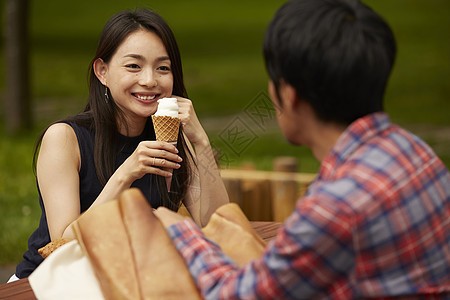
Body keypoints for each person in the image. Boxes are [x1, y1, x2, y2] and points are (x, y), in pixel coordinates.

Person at [155, 0, 450, 298]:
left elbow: (238, 295)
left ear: (289, 95)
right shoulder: (416, 152)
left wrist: (178, 231)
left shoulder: (336, 207)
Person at [10, 9, 229, 281]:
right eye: (133, 66)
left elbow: (218, 228)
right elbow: (64, 245)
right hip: (48, 285)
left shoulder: (171, 138)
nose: (149, 80)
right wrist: (127, 173)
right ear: (102, 71)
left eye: (163, 67)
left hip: (126, 283)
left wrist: (202, 142)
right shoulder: (64, 138)